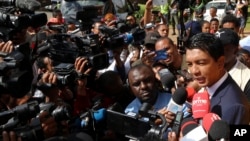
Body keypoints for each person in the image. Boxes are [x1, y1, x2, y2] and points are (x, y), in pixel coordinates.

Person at [186, 32, 250, 124]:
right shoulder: (207, 85)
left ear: (220, 63)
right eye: (189, 64)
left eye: (201, 63)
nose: (194, 71)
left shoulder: (235, 107)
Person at [215, 28, 250, 102]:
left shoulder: (246, 78)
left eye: (224, 49)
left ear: (236, 51)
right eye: (215, 48)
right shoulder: (206, 68)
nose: (218, 52)